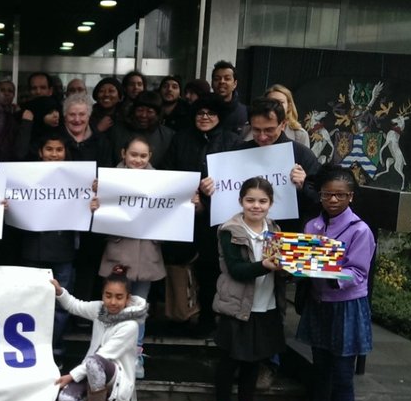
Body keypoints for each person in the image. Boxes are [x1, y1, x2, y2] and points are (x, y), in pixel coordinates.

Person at [297, 165, 375, 401]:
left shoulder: (360, 230)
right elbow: (304, 261)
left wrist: (330, 275)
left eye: (340, 195)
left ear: (350, 196)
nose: (332, 199)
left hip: (346, 307)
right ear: (319, 195)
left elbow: (359, 273)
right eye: (327, 194)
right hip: (319, 303)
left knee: (342, 376)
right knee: (320, 371)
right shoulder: (312, 227)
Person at [164, 94, 242, 334]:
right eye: (200, 113)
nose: (205, 117)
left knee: (210, 269)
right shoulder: (181, 139)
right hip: (183, 214)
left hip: (217, 219)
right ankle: (182, 316)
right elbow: (170, 174)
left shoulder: (232, 141)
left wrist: (207, 201)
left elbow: (238, 181)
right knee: (179, 267)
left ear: (220, 117)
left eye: (210, 113)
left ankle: (208, 318)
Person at [91, 136, 166, 379]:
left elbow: (176, 212)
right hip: (118, 253)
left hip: (147, 255)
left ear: (150, 157)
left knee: (138, 309)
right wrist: (94, 204)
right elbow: (96, 215)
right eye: (134, 154)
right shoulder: (109, 180)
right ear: (124, 153)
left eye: (143, 156)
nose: (138, 160)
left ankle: (135, 356)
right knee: (113, 306)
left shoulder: (163, 182)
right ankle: (107, 355)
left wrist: (192, 204)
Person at [212, 177, 288, 401]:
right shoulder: (229, 230)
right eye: (250, 200)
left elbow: (281, 269)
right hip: (236, 306)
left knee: (254, 361)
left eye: (263, 201)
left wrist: (289, 270)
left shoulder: (275, 230)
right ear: (241, 201)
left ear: (271, 203)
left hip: (266, 305)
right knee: (229, 361)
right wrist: (266, 265)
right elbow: (236, 269)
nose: (256, 206)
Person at [52, 265, 148, 401]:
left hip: (117, 377)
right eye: (108, 296)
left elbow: (103, 356)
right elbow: (75, 305)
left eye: (119, 297)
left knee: (94, 362)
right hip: (91, 369)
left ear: (127, 299)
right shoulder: (100, 309)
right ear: (102, 295)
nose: (113, 302)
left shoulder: (131, 325)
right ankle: (95, 400)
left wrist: (71, 376)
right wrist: (59, 292)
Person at [20, 134, 79, 364]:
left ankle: (55, 353)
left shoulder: (77, 179)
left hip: (63, 250)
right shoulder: (24, 177)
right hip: (32, 250)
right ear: (40, 152)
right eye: (49, 149)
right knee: (32, 303)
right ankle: (31, 352)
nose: (54, 154)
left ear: (65, 153)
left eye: (59, 150)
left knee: (60, 306)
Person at [237, 97, 320, 232]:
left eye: (269, 130)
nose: (262, 136)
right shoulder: (238, 153)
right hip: (244, 235)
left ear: (283, 124)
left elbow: (319, 202)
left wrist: (305, 185)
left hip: (287, 234)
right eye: (256, 130)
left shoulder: (302, 155)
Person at [107, 91, 175, 168]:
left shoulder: (168, 136)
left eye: (150, 112)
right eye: (140, 110)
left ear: (157, 114)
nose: (143, 115)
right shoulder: (116, 132)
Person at [212, 60, 248, 135]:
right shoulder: (203, 111)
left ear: (235, 84)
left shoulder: (245, 113)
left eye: (227, 78)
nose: (222, 82)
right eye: (217, 79)